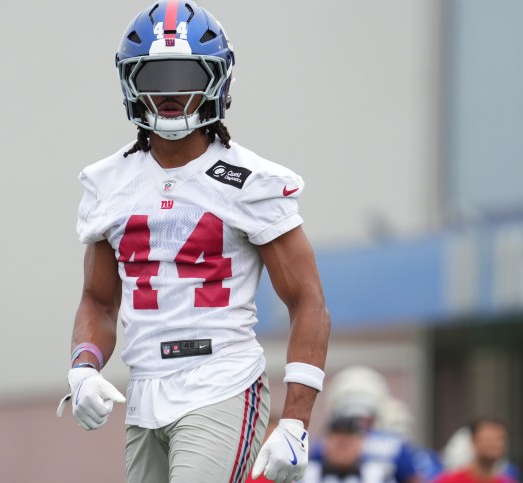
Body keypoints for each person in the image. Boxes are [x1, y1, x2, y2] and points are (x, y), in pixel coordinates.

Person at [56, 2, 331, 482]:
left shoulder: (251, 180)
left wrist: (295, 420)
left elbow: (307, 301)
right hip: (143, 394)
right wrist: (83, 366)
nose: (168, 93)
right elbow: (98, 301)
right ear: (130, 83)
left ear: (217, 81)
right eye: (153, 77)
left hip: (221, 383)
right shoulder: (109, 181)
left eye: (184, 75)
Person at [435, 417, 517, 483]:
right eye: (488, 439)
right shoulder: (449, 481)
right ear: (473, 442)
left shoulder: (508, 481)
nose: (494, 445)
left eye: (499, 439)